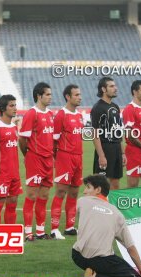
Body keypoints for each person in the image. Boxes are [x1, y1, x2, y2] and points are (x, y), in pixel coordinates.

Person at [72, 175, 141, 277]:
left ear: (98, 190)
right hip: (101, 259)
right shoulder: (117, 214)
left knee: (102, 260)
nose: (84, 191)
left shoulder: (81, 202)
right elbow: (130, 248)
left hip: (77, 256)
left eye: (88, 187)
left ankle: (93, 270)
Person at [19, 82, 55, 241]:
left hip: (48, 160)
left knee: (44, 195)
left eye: (50, 94)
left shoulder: (49, 114)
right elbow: (22, 139)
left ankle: (40, 231)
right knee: (32, 194)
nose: (50, 97)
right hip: (35, 159)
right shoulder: (31, 114)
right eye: (47, 94)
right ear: (39, 96)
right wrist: (27, 155)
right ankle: (28, 232)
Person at [50, 84, 84, 239]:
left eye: (79, 94)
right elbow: (54, 141)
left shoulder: (79, 115)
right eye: (76, 95)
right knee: (61, 191)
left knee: (75, 191)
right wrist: (59, 158)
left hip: (78, 157)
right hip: (65, 157)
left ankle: (70, 226)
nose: (79, 97)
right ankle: (54, 228)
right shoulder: (61, 115)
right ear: (68, 97)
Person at [0, 95, 22, 228]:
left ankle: (9, 235)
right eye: (11, 105)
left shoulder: (14, 127)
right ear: (3, 108)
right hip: (0, 173)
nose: (15, 108)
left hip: (15, 173)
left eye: (15, 105)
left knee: (13, 203)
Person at [91, 77, 125, 189]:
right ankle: (99, 206)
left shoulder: (115, 107)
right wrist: (101, 156)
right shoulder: (97, 108)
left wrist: (123, 153)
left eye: (115, 86)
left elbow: (118, 132)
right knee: (101, 184)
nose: (115, 88)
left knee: (115, 183)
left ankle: (113, 206)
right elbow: (95, 134)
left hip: (116, 149)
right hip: (105, 148)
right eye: (111, 86)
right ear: (103, 89)